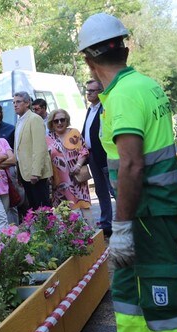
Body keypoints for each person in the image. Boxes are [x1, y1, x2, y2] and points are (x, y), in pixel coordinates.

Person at [78, 12, 177, 332]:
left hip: (149, 212)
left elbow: (132, 165)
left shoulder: (124, 95)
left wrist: (120, 227)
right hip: (153, 210)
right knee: (128, 287)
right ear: (126, 50)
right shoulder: (145, 85)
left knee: (164, 298)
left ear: (89, 61)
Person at [46, 109, 93, 225]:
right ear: (51, 123)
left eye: (62, 120)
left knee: (84, 206)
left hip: (77, 177)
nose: (59, 123)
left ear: (67, 121)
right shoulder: (47, 138)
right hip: (59, 182)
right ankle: (71, 239)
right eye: (56, 121)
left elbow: (84, 150)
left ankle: (92, 235)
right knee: (63, 211)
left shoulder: (74, 133)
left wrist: (78, 165)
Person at [82, 79, 114, 237]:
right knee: (101, 191)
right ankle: (106, 222)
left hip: (105, 155)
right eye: (87, 91)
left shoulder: (104, 108)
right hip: (92, 155)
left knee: (113, 189)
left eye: (92, 91)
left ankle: (126, 221)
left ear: (100, 92)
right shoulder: (90, 109)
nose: (88, 93)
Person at [13, 91, 53, 209]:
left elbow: (39, 147)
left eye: (18, 102)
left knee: (43, 208)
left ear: (27, 103)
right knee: (34, 209)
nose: (15, 105)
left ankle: (47, 228)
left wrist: (36, 172)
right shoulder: (20, 122)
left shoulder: (34, 119)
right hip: (24, 172)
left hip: (35, 174)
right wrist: (19, 173)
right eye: (14, 102)